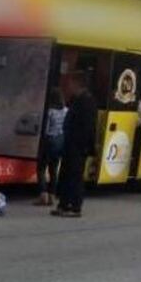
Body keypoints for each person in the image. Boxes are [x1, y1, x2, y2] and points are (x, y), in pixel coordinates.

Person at [52, 72, 98, 218]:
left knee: (75, 175)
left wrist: (83, 145)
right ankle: (63, 203)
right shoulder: (76, 99)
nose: (68, 86)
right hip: (70, 143)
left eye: (71, 83)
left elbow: (87, 127)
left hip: (78, 146)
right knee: (65, 174)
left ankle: (74, 206)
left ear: (78, 83)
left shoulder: (87, 101)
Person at [35, 88, 67, 206]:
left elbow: (46, 130)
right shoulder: (66, 111)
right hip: (60, 142)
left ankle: (43, 195)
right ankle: (52, 195)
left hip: (49, 141)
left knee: (41, 168)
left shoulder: (49, 112)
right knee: (54, 170)